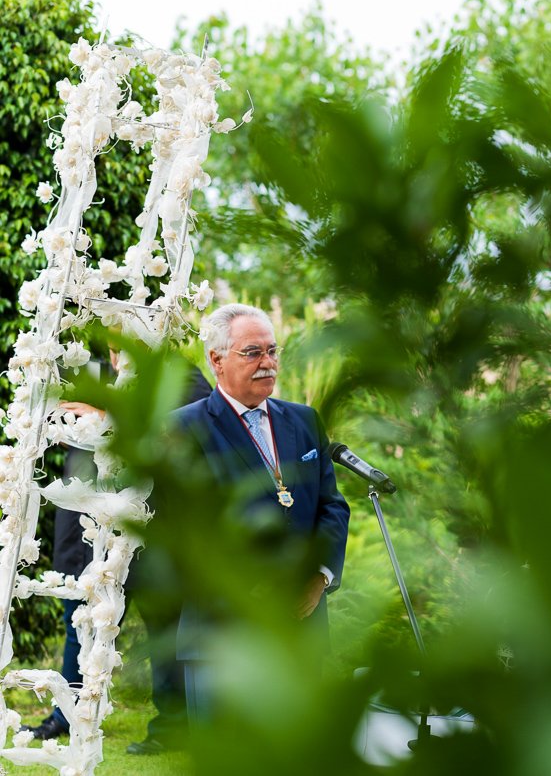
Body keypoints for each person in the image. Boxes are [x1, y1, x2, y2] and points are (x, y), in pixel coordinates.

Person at [168, 303, 350, 722]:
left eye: (272, 351)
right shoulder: (184, 428)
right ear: (216, 360)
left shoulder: (304, 422)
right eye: (253, 353)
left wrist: (319, 576)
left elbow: (332, 506)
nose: (267, 363)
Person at [22, 353, 210, 753]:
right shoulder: (91, 372)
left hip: (152, 527)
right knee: (83, 622)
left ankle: (171, 726)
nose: (113, 349)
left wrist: (107, 416)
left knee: (164, 628)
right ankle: (65, 713)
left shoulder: (177, 373)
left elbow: (190, 426)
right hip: (92, 529)